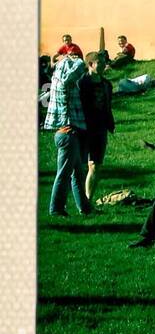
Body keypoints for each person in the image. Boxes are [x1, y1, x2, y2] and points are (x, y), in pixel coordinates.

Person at [43, 50, 89, 218]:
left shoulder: (56, 77)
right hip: (68, 134)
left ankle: (85, 207)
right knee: (63, 173)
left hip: (69, 133)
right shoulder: (67, 81)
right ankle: (55, 208)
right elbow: (73, 74)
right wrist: (74, 61)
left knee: (77, 173)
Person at [78, 51, 115, 202]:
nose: (103, 64)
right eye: (100, 62)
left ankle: (88, 200)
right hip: (82, 128)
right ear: (91, 64)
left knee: (95, 165)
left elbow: (108, 106)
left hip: (100, 129)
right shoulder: (81, 84)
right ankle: (78, 199)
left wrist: (109, 123)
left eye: (104, 61)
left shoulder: (107, 84)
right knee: (78, 165)